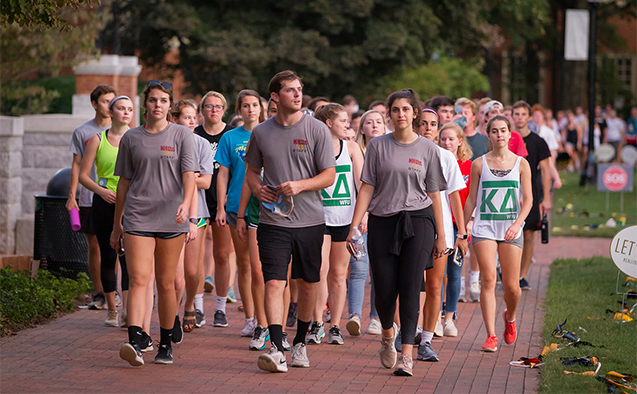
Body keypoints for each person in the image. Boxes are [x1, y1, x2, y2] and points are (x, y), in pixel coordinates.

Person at [347, 89, 447, 377]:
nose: (401, 114)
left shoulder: (428, 148)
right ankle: (388, 334)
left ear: (415, 113)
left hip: (418, 222)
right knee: (384, 290)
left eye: (406, 109)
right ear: (389, 114)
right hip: (383, 221)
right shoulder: (377, 146)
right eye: (395, 110)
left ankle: (406, 355)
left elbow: (435, 194)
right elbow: (366, 187)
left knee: (411, 285)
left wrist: (442, 235)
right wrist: (355, 227)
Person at [244, 70, 336, 372]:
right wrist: (258, 190)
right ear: (274, 96)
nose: (297, 95)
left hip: (310, 220)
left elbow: (328, 176)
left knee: (308, 284)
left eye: (299, 89)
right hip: (273, 221)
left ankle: (299, 343)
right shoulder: (261, 132)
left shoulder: (317, 130)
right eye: (290, 90)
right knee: (274, 282)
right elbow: (252, 173)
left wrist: (300, 185)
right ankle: (276, 345)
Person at [111, 80, 197, 366]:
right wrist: (117, 224)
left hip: (172, 217)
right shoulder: (131, 138)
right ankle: (135, 340)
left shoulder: (182, 135)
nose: (157, 105)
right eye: (152, 100)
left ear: (169, 105)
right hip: (137, 216)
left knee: (166, 283)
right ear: (144, 104)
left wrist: (186, 204)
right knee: (138, 278)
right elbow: (124, 182)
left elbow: (189, 176)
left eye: (162, 100)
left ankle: (166, 342)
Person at [463, 115, 533, 352]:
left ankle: (510, 318)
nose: (499, 135)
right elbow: (471, 198)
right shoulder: (479, 164)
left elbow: (529, 200)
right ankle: (491, 335)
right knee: (489, 279)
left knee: (513, 287)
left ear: (510, 133)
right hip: (484, 228)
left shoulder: (521, 164)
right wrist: (462, 230)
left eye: (503, 130)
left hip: (511, 229)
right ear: (488, 134)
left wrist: (517, 224)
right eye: (494, 131)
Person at [308, 103, 364, 345]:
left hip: (345, 219)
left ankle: (335, 326)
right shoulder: (313, 148)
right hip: (317, 218)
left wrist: (362, 219)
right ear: (329, 123)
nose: (347, 125)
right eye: (343, 121)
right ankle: (317, 322)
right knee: (319, 270)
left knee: (339, 273)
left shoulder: (351, 148)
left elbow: (363, 186)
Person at [416, 109, 468, 362]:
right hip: (410, 228)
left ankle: (426, 339)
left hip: (441, 230)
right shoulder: (406, 151)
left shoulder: (445, 156)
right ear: (416, 126)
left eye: (433, 124)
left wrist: (462, 232)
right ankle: (407, 331)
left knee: (435, 284)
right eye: (423, 124)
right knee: (410, 285)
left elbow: (455, 196)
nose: (428, 128)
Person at [216, 90, 266, 337]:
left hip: (266, 208)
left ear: (261, 107)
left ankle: (265, 318)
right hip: (237, 207)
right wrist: (221, 207)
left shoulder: (269, 133)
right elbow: (223, 173)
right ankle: (251, 318)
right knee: (245, 264)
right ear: (239, 109)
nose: (250, 110)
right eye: (245, 105)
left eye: (254, 105)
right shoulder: (229, 137)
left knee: (261, 268)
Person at [79, 95, 132, 327]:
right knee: (108, 255)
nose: (126, 112)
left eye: (130, 109)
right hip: (105, 202)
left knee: (130, 258)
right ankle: (112, 309)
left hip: (131, 204)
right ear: (111, 112)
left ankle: (129, 310)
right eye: (121, 108)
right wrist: (100, 192)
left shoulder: (137, 138)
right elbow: (83, 175)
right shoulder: (97, 140)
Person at [67, 85, 117, 310]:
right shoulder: (83, 132)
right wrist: (72, 196)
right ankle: (100, 293)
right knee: (95, 244)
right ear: (95, 104)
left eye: (112, 101)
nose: (110, 106)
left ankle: (119, 292)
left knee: (120, 246)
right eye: (105, 101)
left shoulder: (127, 131)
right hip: (91, 196)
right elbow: (77, 165)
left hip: (119, 198)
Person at [171, 100, 214, 334]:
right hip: (169, 213)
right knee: (175, 275)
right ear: (174, 119)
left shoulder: (202, 144)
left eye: (193, 118)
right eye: (186, 118)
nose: (191, 122)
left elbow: (205, 182)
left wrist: (182, 177)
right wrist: (189, 176)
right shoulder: (167, 141)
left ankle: (190, 305)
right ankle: (174, 315)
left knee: (192, 270)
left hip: (198, 213)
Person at [195, 91, 235, 327]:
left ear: (224, 109)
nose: (214, 110)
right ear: (202, 110)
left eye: (218, 106)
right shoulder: (194, 135)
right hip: (199, 200)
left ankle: (220, 308)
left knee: (222, 255)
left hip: (224, 201)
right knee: (197, 257)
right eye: (209, 106)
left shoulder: (230, 134)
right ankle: (198, 307)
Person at [348, 110, 385, 336]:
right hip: (359, 218)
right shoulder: (355, 151)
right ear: (361, 128)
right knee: (358, 268)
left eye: (378, 122)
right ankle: (354, 316)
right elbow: (361, 187)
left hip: (382, 218)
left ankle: (376, 317)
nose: (374, 125)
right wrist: (361, 216)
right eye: (369, 122)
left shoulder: (391, 150)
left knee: (379, 271)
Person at [512, 101, 552, 292]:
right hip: (508, 193)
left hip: (531, 193)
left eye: (523, 114)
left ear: (529, 117)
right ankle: (508, 273)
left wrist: (546, 198)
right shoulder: (505, 139)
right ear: (512, 116)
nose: (519, 117)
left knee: (528, 235)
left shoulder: (538, 142)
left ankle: (522, 276)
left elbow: (545, 172)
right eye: (516, 114)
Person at [438, 122, 473, 331]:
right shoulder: (437, 160)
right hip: (440, 223)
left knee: (455, 271)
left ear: (460, 141)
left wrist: (467, 225)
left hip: (458, 225)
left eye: (451, 139)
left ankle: (449, 317)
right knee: (438, 273)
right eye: (443, 139)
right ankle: (435, 317)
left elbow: (471, 197)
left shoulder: (468, 166)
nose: (447, 143)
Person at [455, 98, 487, 302]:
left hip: (480, 195)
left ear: (474, 116)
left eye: (466, 112)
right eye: (459, 112)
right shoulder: (452, 137)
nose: (463, 116)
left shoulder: (483, 140)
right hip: (459, 196)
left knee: (474, 239)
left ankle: (474, 279)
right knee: (461, 238)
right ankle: (460, 284)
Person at [531, 104, 562, 189]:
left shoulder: (549, 132)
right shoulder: (528, 131)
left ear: (542, 117)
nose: (537, 117)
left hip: (545, 165)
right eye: (535, 115)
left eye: (539, 115)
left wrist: (550, 171)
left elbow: (552, 153)